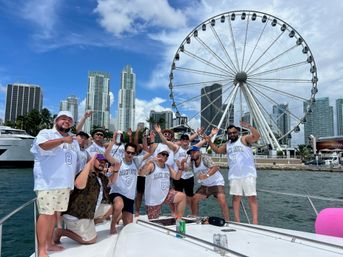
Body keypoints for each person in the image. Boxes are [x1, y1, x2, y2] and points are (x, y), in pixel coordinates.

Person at [30, 111, 79, 257]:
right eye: (63, 118)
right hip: (48, 183)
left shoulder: (72, 140)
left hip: (64, 185)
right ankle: (42, 250)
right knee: (45, 215)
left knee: (53, 216)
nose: (67, 121)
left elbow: (72, 163)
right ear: (56, 120)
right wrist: (63, 141)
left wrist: (70, 184)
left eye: (70, 120)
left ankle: (50, 243)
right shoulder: (46, 133)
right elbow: (43, 146)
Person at [207, 121, 260, 224]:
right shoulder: (227, 145)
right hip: (234, 175)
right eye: (230, 133)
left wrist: (249, 127)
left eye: (234, 132)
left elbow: (257, 136)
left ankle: (255, 222)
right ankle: (237, 221)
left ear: (238, 132)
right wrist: (209, 141)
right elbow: (217, 150)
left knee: (251, 197)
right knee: (236, 198)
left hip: (248, 174)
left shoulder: (244, 139)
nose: (232, 134)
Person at [54, 154, 112, 244]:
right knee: (91, 240)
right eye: (99, 161)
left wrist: (115, 171)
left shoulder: (100, 177)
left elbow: (110, 182)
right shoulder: (85, 174)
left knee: (113, 207)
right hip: (76, 215)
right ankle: (61, 232)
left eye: (104, 162)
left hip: (88, 211)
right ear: (92, 161)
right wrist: (89, 164)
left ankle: (93, 222)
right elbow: (79, 184)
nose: (102, 163)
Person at [105, 142, 151, 234]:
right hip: (117, 192)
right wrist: (113, 141)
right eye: (128, 152)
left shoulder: (136, 161)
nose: (130, 155)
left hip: (129, 197)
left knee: (129, 226)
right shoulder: (118, 161)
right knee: (119, 205)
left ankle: (120, 215)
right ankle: (112, 225)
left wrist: (147, 140)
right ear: (124, 152)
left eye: (132, 153)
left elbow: (149, 153)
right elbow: (106, 154)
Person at [139, 148, 186, 220]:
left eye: (167, 155)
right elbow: (141, 173)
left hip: (166, 195)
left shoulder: (168, 167)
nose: (165, 157)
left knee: (182, 197)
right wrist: (148, 162)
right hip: (153, 200)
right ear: (158, 155)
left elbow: (177, 177)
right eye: (163, 154)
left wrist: (180, 169)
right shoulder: (151, 165)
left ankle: (179, 219)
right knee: (153, 222)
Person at [185, 146, 229, 222]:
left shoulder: (205, 158)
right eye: (191, 153)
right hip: (205, 185)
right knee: (194, 199)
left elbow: (215, 167)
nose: (192, 154)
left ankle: (227, 220)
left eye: (194, 152)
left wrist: (206, 176)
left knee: (222, 200)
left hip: (217, 182)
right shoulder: (191, 162)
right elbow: (186, 169)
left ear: (199, 152)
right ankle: (194, 217)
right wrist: (182, 164)